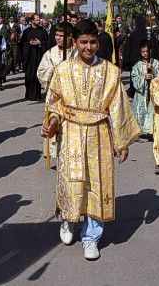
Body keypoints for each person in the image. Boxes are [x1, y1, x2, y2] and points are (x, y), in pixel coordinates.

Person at [41, 19, 141, 261]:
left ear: (98, 42)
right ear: (75, 42)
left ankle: (92, 237)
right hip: (72, 133)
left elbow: (118, 108)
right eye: (83, 42)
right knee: (71, 181)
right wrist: (52, 122)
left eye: (93, 42)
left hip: (99, 134)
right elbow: (55, 104)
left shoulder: (111, 71)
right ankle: (68, 219)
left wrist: (122, 142)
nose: (88, 47)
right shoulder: (62, 71)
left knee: (97, 185)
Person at [37, 22, 75, 167]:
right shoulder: (50, 53)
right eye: (56, 35)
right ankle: (57, 155)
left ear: (70, 37)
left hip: (72, 99)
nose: (58, 38)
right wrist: (54, 70)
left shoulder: (76, 53)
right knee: (54, 124)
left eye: (61, 35)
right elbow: (41, 72)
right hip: (55, 98)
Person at [131, 40, 159, 139]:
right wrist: (143, 78)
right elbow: (134, 79)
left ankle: (152, 131)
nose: (145, 53)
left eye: (146, 51)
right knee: (140, 112)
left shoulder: (156, 63)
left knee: (152, 112)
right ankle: (139, 131)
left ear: (151, 51)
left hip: (152, 94)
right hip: (141, 95)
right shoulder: (137, 66)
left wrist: (153, 70)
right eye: (143, 51)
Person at [20, 13, 48, 101]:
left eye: (39, 19)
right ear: (32, 21)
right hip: (29, 57)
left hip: (39, 57)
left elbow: (47, 43)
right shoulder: (27, 31)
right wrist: (29, 43)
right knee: (29, 76)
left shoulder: (43, 31)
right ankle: (28, 95)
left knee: (37, 76)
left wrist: (40, 43)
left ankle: (37, 95)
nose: (39, 21)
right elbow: (21, 43)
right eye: (37, 20)